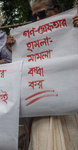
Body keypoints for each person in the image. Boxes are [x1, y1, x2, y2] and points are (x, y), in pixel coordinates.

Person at [27, 0, 78, 150]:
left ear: (56, 10)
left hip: (71, 107)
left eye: (41, 14)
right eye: (33, 17)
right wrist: (13, 50)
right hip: (43, 106)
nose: (37, 20)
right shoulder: (30, 39)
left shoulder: (73, 26)